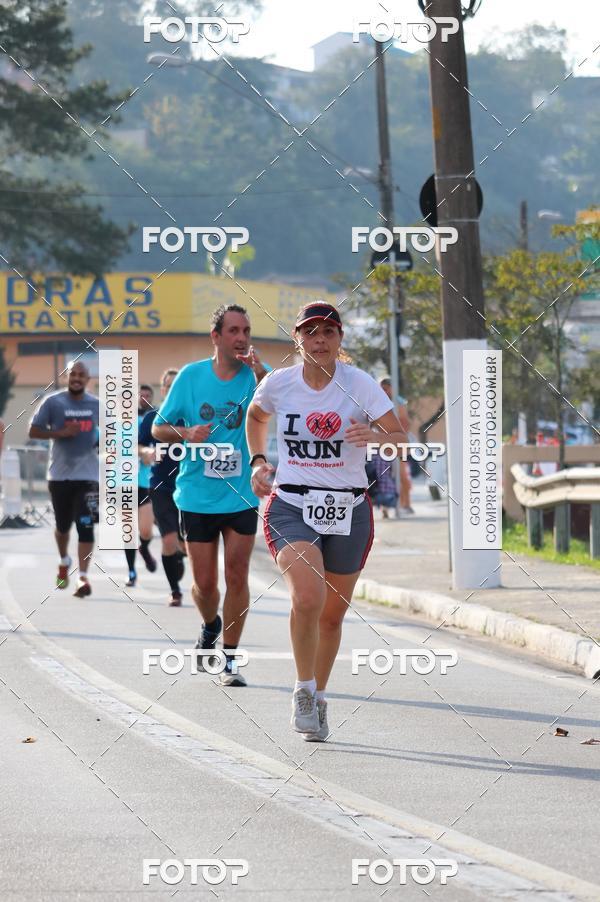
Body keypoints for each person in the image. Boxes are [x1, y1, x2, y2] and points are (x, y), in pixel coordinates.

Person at [247, 302, 406, 741]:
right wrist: (258, 461)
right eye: (310, 332)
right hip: (292, 504)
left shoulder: (360, 385)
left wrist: (374, 437)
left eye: (329, 332)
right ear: (297, 339)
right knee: (308, 596)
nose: (320, 340)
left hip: (349, 508)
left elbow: (400, 440)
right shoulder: (279, 384)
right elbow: (256, 415)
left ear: (340, 340)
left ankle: (318, 696)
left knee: (332, 618)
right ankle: (302, 689)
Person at [152, 304, 269, 687]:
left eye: (247, 330)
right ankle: (210, 623)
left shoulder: (254, 378)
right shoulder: (190, 377)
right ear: (215, 337)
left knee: (238, 575)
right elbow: (158, 428)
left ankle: (231, 657)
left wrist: (261, 373)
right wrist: (186, 434)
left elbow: (278, 407)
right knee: (205, 585)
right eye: (233, 330)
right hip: (196, 495)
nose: (242, 337)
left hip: (240, 495)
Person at [29, 360, 100, 597]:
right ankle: (64, 559)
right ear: (67, 377)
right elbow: (34, 430)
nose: (77, 378)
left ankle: (83, 577)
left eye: (81, 375)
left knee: (86, 526)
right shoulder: (53, 402)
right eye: (73, 374)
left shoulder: (97, 405)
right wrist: (61, 433)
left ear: (88, 379)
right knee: (62, 527)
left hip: (89, 477)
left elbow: (113, 433)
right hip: (59, 476)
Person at [139, 369, 186, 606]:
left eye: (177, 385)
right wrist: (146, 452)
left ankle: (179, 553)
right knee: (169, 541)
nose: (172, 389)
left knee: (186, 546)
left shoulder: (192, 416)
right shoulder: (152, 417)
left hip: (190, 487)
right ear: (163, 389)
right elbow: (138, 445)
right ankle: (175, 591)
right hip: (161, 486)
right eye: (168, 385)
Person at [123, 384, 157, 587]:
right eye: (141, 395)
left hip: (146, 482)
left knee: (145, 531)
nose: (144, 398)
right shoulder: (124, 420)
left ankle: (144, 548)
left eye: (148, 395)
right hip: (125, 481)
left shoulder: (154, 420)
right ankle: (131, 571)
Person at [380, 377, 414, 514]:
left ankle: (406, 504)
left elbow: (405, 424)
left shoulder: (399, 403)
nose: (384, 391)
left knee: (403, 476)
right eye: (382, 388)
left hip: (397, 445)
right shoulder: (378, 400)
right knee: (383, 476)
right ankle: (385, 507)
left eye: (386, 388)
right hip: (383, 445)